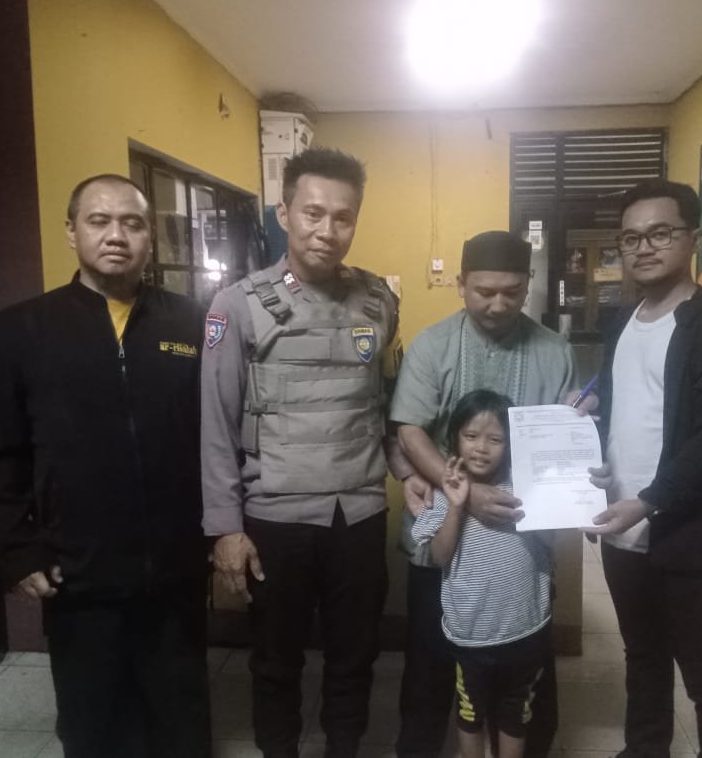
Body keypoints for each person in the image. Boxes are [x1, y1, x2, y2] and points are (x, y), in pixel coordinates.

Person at [0, 174, 211, 757]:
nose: (116, 235)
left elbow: (220, 438)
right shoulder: (19, 331)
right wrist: (18, 549)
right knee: (94, 722)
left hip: (175, 566)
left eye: (132, 223)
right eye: (99, 221)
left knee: (179, 718)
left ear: (150, 237)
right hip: (78, 570)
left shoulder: (192, 323)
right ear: (71, 231)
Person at [202, 148, 417, 758]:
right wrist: (224, 528)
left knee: (355, 656)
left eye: (343, 217)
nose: (327, 230)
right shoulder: (236, 305)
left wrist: (409, 471)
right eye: (313, 213)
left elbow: (382, 403)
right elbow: (215, 425)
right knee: (276, 662)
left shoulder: (379, 301)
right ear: (284, 213)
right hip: (275, 518)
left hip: (359, 513)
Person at [391, 229, 591, 757]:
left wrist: (579, 430)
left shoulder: (554, 350)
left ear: (529, 283)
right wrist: (466, 494)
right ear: (460, 284)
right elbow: (410, 430)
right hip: (445, 539)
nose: (498, 304)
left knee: (526, 669)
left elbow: (564, 437)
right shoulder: (432, 345)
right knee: (431, 663)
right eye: (484, 291)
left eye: (512, 291)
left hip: (521, 545)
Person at [583, 179, 702, 757]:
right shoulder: (621, 321)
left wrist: (648, 500)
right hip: (622, 527)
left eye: (660, 233)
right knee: (643, 654)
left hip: (689, 533)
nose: (643, 247)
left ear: (693, 239)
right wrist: (589, 420)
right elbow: (625, 403)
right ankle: (645, 750)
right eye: (631, 237)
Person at [412, 389, 553, 758]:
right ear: (455, 437)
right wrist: (456, 507)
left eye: (495, 439)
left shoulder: (527, 489)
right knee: (470, 713)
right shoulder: (445, 493)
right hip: (471, 636)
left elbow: (553, 538)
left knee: (516, 714)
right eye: (471, 436)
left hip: (525, 631)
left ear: (511, 444)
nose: (481, 448)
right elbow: (439, 556)